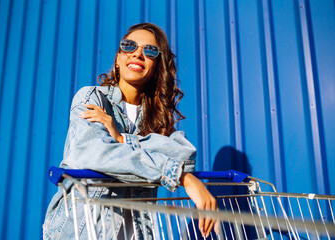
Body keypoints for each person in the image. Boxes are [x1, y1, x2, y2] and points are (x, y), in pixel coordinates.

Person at [43, 23, 219, 239]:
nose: (137, 53)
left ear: (157, 67)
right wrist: (180, 176)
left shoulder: (158, 119)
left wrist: (121, 139)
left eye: (150, 50)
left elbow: (184, 155)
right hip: (81, 232)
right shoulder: (92, 98)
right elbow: (94, 153)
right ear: (118, 59)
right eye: (129, 46)